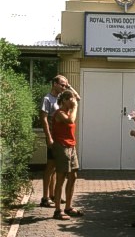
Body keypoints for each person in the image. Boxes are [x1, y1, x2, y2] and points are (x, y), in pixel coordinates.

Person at [40, 75, 80, 207]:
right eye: (62, 85)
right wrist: (49, 137)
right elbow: (44, 119)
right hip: (54, 138)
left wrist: (69, 86)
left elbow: (77, 98)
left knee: (58, 168)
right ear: (54, 84)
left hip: (61, 138)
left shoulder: (61, 98)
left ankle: (53, 196)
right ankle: (45, 197)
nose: (64, 87)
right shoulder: (48, 99)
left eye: (65, 85)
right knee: (50, 167)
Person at [51, 89, 84, 220]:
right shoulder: (59, 113)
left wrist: (70, 88)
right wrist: (75, 106)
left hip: (71, 146)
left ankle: (68, 208)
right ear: (64, 101)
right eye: (70, 99)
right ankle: (57, 210)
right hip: (62, 147)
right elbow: (70, 121)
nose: (74, 101)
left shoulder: (68, 111)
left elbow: (78, 97)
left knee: (73, 176)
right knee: (61, 177)